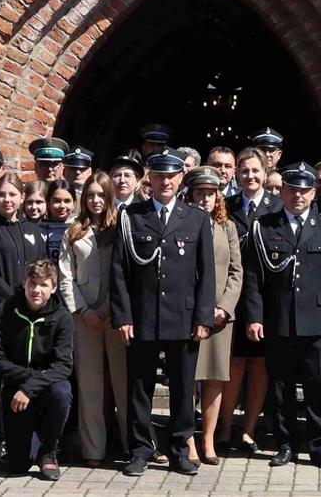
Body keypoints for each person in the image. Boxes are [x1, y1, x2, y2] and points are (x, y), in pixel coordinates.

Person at [111, 153, 216, 477]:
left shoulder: (196, 218)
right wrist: (123, 317)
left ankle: (180, 449)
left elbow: (206, 274)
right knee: (139, 387)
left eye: (171, 176)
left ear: (180, 179)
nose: (165, 181)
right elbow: (119, 271)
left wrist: (203, 318)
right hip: (142, 316)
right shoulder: (131, 216)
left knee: (183, 388)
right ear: (150, 179)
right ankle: (141, 450)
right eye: (159, 176)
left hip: (183, 317)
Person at [243, 162, 321, 469]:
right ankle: (285, 444)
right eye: (291, 190)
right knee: (281, 387)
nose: (297, 196)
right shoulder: (264, 227)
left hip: (317, 321)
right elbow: (253, 277)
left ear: (313, 193)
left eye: (304, 190)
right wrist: (254, 316)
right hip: (278, 319)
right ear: (282, 192)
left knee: (320, 387)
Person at [0, 258, 74, 480]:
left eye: (44, 285)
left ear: (53, 287)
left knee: (62, 393)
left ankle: (49, 451)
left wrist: (30, 387)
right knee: (18, 466)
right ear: (24, 283)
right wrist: (27, 381)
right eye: (32, 283)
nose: (37, 290)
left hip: (47, 385)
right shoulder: (3, 312)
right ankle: (29, 442)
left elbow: (63, 365)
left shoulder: (62, 317)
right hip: (15, 387)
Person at [62, 172, 126, 465]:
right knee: (90, 385)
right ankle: (93, 449)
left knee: (123, 383)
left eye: (101, 194)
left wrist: (113, 307)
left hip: (116, 314)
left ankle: (134, 444)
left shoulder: (122, 226)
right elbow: (65, 276)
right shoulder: (73, 230)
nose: (95, 200)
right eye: (90, 195)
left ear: (110, 196)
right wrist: (83, 310)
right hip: (84, 314)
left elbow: (127, 272)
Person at [187, 169, 242, 466]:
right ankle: (187, 440)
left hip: (219, 317)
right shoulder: (181, 223)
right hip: (187, 315)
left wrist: (224, 307)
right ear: (190, 194)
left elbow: (236, 270)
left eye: (211, 193)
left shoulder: (227, 227)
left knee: (214, 378)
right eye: (200, 193)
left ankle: (207, 440)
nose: (205, 199)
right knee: (186, 379)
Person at [223, 148, 276, 451]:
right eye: (244, 171)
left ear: (265, 173)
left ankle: (249, 429)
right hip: (232, 297)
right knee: (233, 366)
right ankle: (224, 426)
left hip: (266, 300)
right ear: (237, 174)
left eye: (256, 170)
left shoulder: (276, 207)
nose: (250, 176)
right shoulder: (226, 206)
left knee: (259, 365)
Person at [0, 176, 47, 311]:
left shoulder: (32, 229)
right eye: (1, 194)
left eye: (12, 194)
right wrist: (14, 301)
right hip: (2, 309)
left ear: (22, 197)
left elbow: (43, 267)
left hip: (33, 307)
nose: (7, 199)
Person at [37, 182, 74, 262]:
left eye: (67, 201)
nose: (62, 206)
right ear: (48, 203)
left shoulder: (81, 229)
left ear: (74, 203)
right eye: (57, 201)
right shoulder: (38, 231)